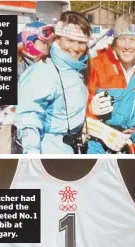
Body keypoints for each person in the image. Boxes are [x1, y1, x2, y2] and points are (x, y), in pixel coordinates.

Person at [14, 11, 91, 154]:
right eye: (70, 40)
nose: (76, 48)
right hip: (48, 152)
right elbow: (29, 118)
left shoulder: (75, 70)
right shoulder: (43, 71)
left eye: (81, 42)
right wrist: (33, 158)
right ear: (57, 39)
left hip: (71, 150)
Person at [86, 14, 135, 154]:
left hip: (128, 147)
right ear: (115, 42)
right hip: (97, 146)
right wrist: (91, 109)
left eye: (133, 40)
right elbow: (77, 111)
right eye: (122, 39)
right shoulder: (97, 64)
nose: (127, 46)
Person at [12, 21, 55, 154]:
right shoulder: (19, 66)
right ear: (29, 42)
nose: (46, 48)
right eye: (42, 43)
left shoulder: (48, 64)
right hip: (26, 131)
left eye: (48, 44)